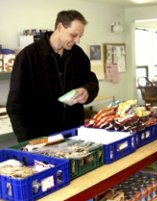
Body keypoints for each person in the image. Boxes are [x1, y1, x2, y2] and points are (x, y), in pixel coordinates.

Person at [6, 10, 99, 142]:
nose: (77, 41)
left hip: (74, 135)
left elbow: (91, 80)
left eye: (80, 37)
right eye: (74, 35)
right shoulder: (28, 57)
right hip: (40, 138)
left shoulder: (78, 55)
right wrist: (27, 141)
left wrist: (87, 90)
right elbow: (15, 106)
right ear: (60, 27)